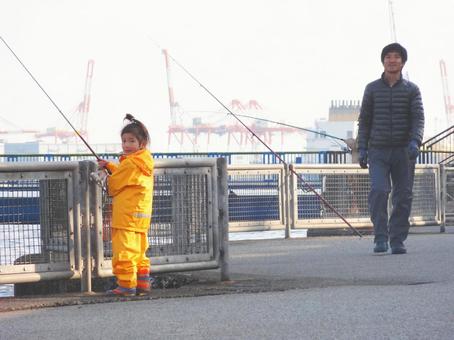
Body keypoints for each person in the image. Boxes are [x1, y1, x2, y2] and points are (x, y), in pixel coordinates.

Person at [357, 43, 424, 255]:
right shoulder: (372, 88)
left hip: (404, 151)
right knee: (379, 191)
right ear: (383, 60)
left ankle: (397, 239)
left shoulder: (412, 90)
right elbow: (364, 120)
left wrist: (415, 141)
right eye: (388, 56)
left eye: (396, 57)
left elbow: (418, 119)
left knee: (403, 196)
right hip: (378, 150)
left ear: (403, 62)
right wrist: (362, 149)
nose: (392, 60)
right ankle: (380, 237)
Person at [97, 113, 154, 296]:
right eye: (124, 141)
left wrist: (106, 175)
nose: (127, 145)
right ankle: (142, 284)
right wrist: (111, 166)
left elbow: (114, 186)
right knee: (139, 251)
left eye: (131, 141)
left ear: (141, 143)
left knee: (124, 251)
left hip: (125, 217)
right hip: (141, 217)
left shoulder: (130, 164)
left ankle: (126, 286)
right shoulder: (143, 162)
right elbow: (126, 176)